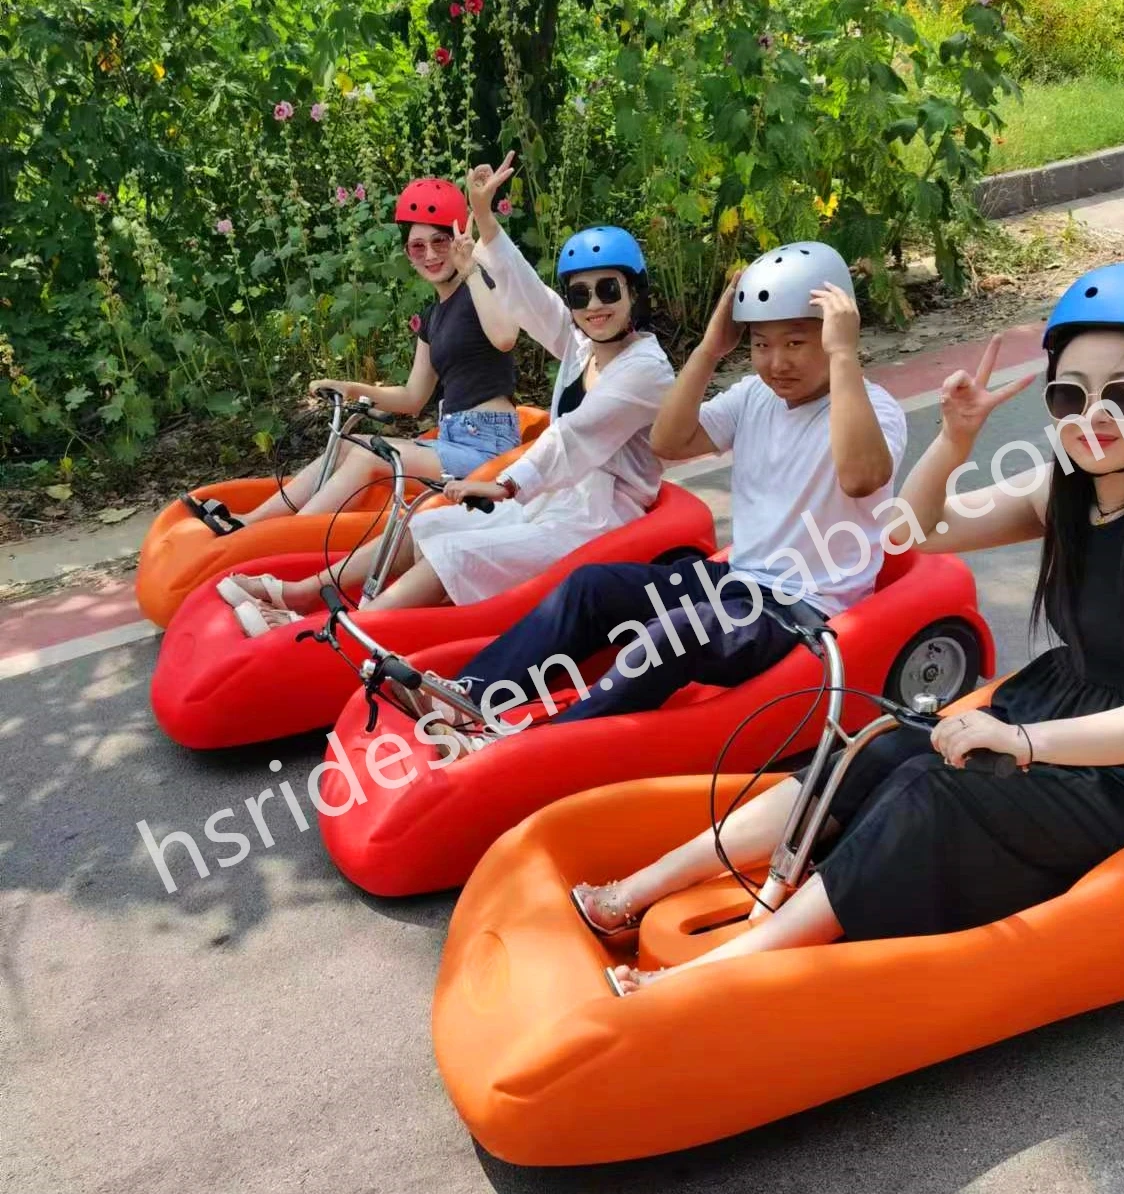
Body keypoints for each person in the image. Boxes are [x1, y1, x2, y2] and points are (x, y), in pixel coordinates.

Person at [573, 260, 1124, 995]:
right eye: (1070, 394)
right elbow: (910, 533)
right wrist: (954, 441)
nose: (1093, 417)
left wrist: (1023, 743)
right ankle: (636, 891)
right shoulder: (1065, 485)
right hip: (1064, 708)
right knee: (879, 745)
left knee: (932, 789)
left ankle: (717, 974)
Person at [424, 238, 909, 755]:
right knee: (593, 586)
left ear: (833, 335)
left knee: (673, 632)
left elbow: (860, 477)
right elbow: (669, 441)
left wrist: (843, 356)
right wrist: (709, 350)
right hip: (737, 582)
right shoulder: (755, 396)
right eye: (761, 345)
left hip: (801, 609)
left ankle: (531, 748)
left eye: (795, 343)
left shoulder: (875, 409)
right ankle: (470, 696)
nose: (776, 363)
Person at [223, 153, 675, 635]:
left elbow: (575, 437)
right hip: (556, 499)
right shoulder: (582, 347)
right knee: (428, 525)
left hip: (598, 516)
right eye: (580, 295)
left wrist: (506, 484)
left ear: (635, 293)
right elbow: (529, 296)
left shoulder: (644, 370)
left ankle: (337, 632)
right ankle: (299, 592)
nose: (594, 305)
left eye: (608, 290)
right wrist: (483, 215)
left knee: (456, 549)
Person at [217, 176, 521, 545]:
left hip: (488, 445)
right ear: (408, 254)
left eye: (439, 242)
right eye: (417, 247)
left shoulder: (479, 286)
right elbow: (412, 397)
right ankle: (249, 523)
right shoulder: (432, 317)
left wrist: (470, 268)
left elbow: (505, 337)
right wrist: (349, 388)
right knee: (347, 444)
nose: (430, 255)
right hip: (452, 438)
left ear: (458, 240)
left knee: (368, 458)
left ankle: (279, 539)